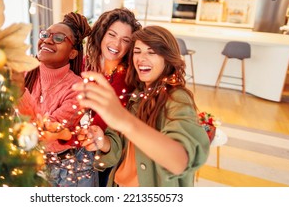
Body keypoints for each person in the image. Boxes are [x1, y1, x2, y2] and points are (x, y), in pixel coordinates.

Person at [74, 25, 210, 187]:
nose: (141, 58)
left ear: (168, 58)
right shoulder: (136, 95)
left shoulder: (177, 99)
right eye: (137, 51)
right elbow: (119, 147)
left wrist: (125, 121)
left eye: (151, 52)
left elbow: (180, 161)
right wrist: (102, 141)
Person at [14, 12, 96, 187]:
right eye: (45, 35)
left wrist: (21, 93)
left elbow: (48, 132)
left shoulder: (78, 88)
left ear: (73, 53)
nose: (47, 40)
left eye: (59, 38)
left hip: (65, 172)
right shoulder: (25, 72)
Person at [84, 7, 141, 186]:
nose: (116, 45)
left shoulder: (127, 79)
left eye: (125, 40)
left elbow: (108, 123)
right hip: (78, 147)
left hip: (105, 154)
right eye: (112, 35)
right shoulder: (86, 64)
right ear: (102, 34)